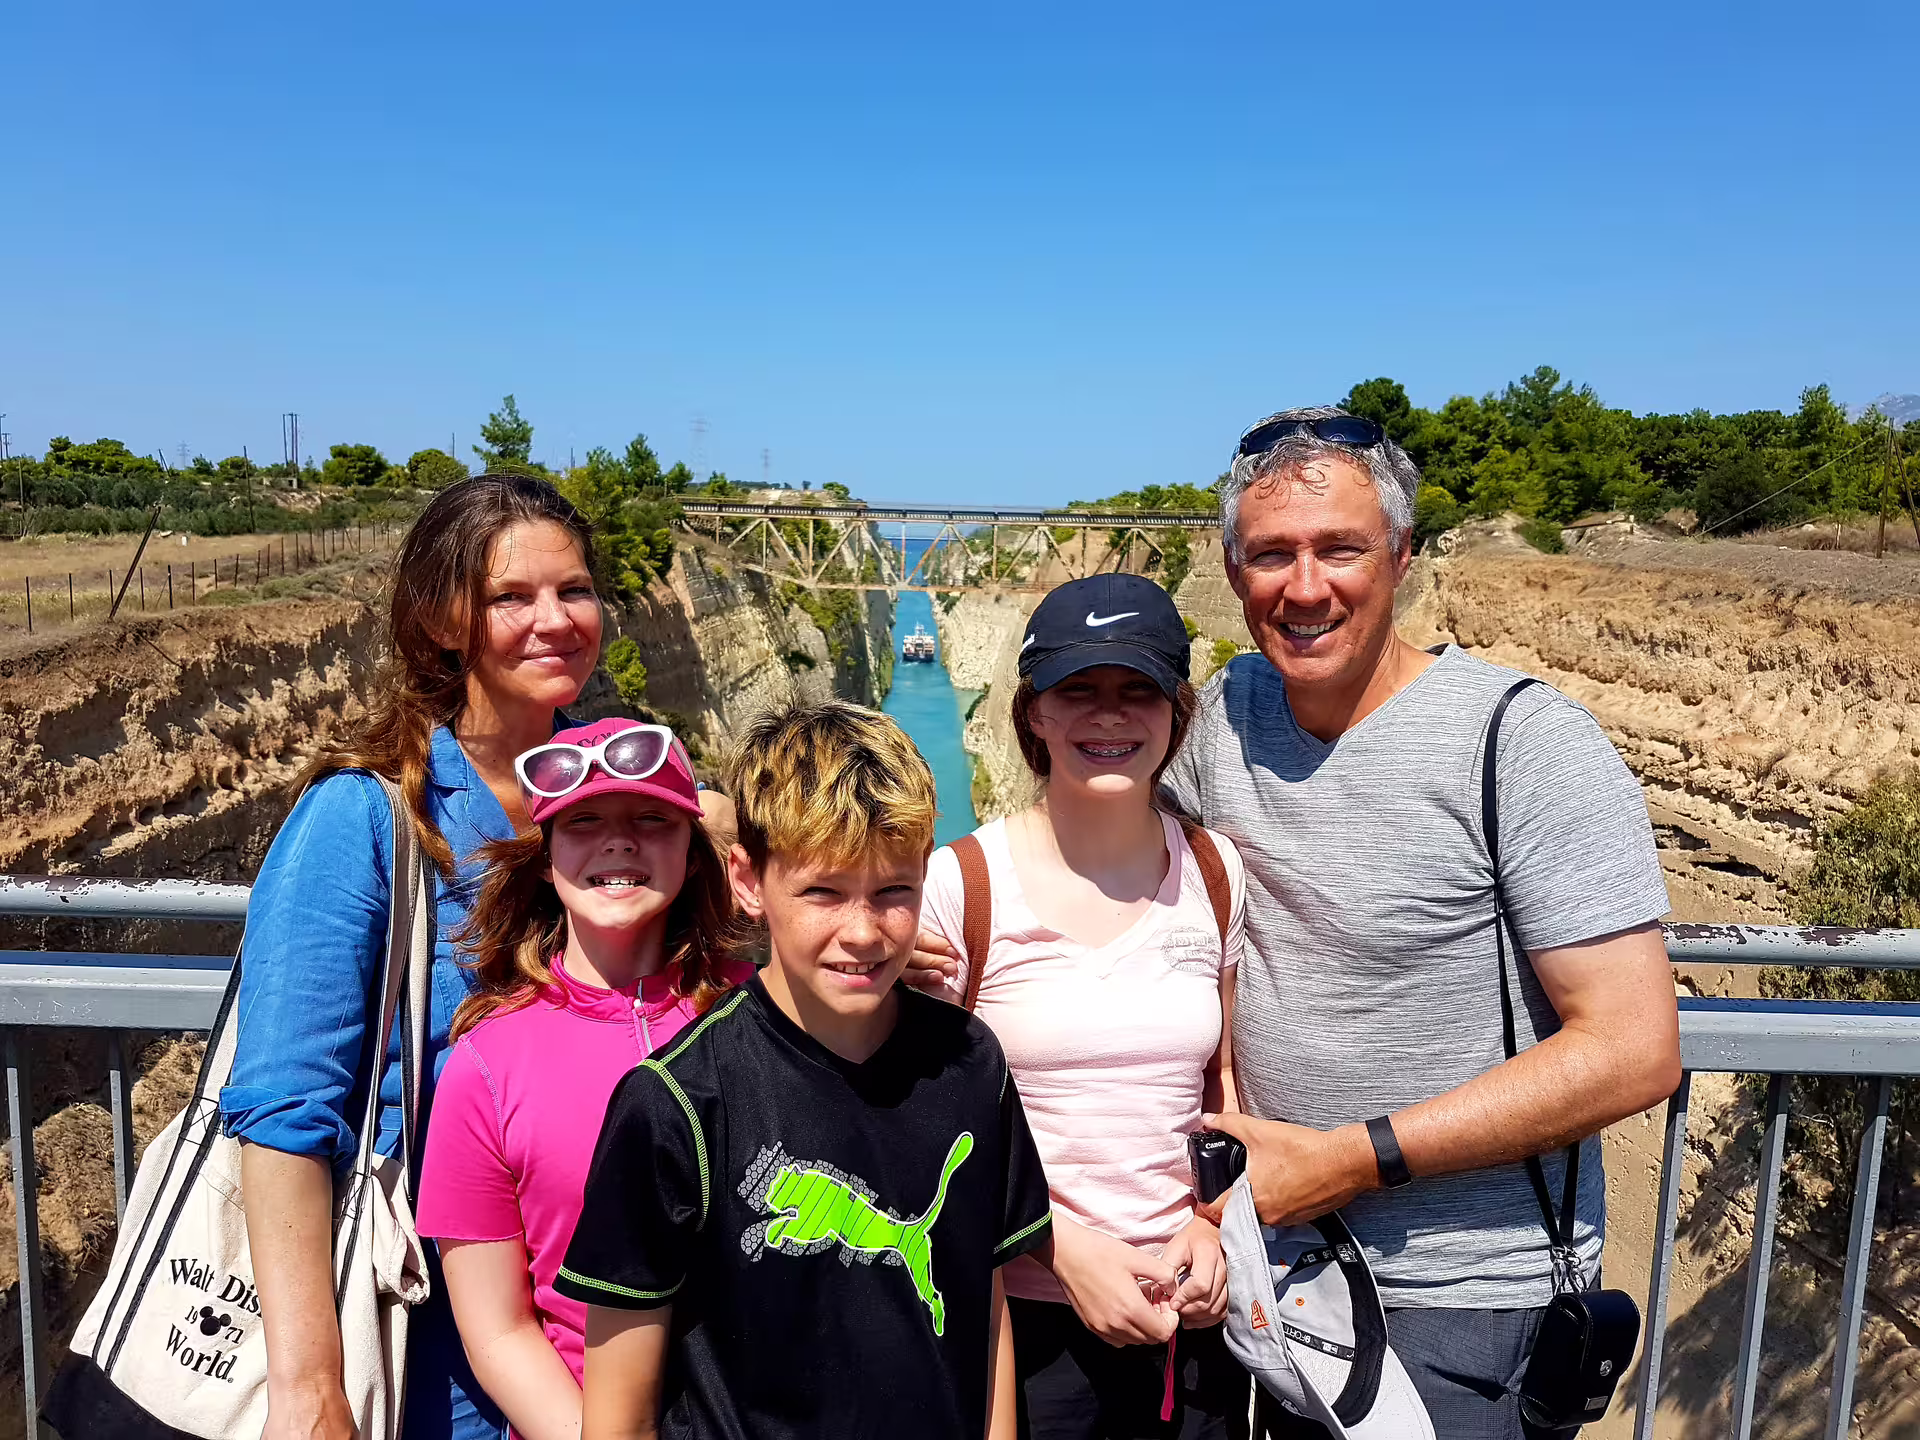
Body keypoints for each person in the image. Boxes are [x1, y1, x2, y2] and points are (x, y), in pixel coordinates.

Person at [1163, 408, 1682, 1438]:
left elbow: (1632, 1050)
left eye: (1340, 549)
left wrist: (1351, 1160)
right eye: (1272, 553)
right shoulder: (1225, 718)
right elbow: (1108, 877)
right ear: (1231, 572)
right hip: (1266, 1276)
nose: (1305, 587)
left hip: (1462, 1312)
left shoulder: (1523, 743)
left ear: (1401, 556)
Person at [220, 474, 605, 1440]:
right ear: (442, 621)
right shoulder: (363, 817)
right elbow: (283, 1108)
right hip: (422, 1347)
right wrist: (308, 1388)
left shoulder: (604, 795)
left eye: (576, 590)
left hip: (594, 1331)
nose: (554, 620)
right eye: (511, 597)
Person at [555, 701, 1054, 1440]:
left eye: (893, 892)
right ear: (748, 881)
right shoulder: (679, 1105)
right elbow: (619, 1415)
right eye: (823, 892)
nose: (863, 932)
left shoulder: (969, 1062)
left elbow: (985, 1302)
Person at [915, 573, 1251, 1440]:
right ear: (1034, 714)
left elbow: (1223, 1087)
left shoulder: (1216, 872)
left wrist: (1215, 1228)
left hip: (1193, 1314)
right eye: (1080, 691)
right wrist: (1058, 1249)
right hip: (1022, 1326)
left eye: (1138, 690)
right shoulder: (961, 886)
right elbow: (922, 1127)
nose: (1110, 717)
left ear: (1177, 712)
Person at [415, 718, 754, 1440]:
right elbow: (499, 1331)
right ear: (545, 860)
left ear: (693, 856)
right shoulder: (486, 1065)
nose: (619, 841)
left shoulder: (764, 1013)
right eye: (585, 821)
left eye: (652, 820)